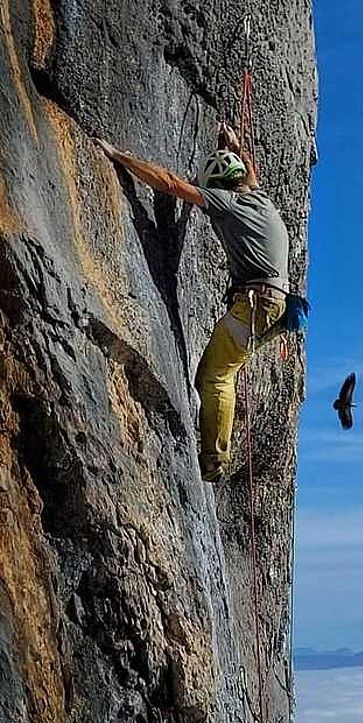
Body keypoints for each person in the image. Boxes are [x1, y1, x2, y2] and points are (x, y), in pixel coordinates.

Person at [95, 124, 291, 482]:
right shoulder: (260, 200)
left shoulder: (226, 203)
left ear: (215, 186)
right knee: (225, 370)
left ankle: (215, 459)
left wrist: (118, 156)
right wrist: (236, 146)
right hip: (272, 305)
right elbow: (251, 173)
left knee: (216, 377)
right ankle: (217, 449)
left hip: (256, 305)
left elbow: (170, 183)